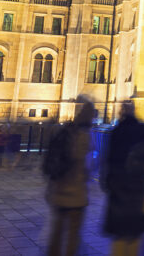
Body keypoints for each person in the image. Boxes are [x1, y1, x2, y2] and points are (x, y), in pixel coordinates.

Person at [101, 101, 144, 256]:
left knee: (120, 235)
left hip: (118, 189)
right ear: (134, 111)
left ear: (122, 113)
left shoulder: (116, 132)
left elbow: (108, 160)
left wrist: (108, 182)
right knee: (134, 234)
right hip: (137, 189)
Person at [46, 97, 97, 256]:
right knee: (73, 234)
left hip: (59, 191)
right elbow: (88, 164)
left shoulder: (66, 131)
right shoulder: (84, 137)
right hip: (75, 194)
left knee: (57, 231)